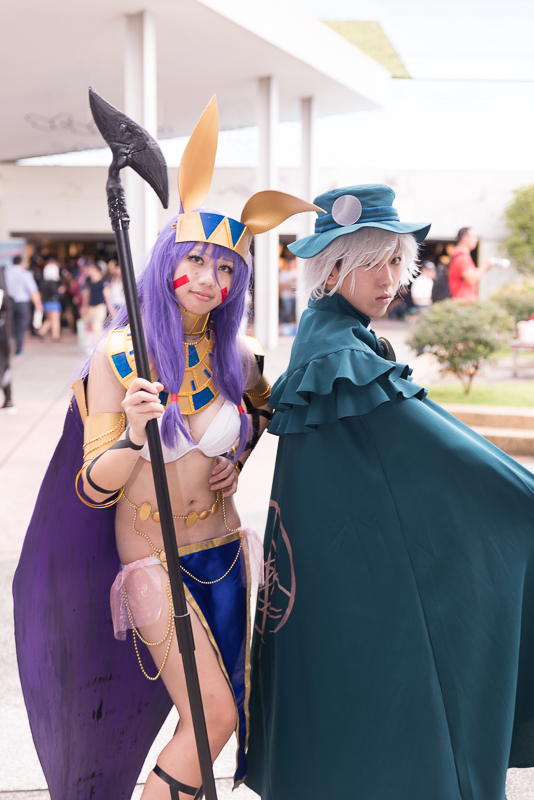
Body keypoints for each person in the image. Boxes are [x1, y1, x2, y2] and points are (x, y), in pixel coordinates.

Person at [13, 97, 319, 800]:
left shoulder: (237, 356)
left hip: (225, 551)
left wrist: (235, 458)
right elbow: (93, 485)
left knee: (217, 714)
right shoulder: (121, 356)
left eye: (227, 268)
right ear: (169, 260)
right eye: (198, 260)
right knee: (214, 715)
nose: (210, 279)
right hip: (153, 558)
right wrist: (131, 432)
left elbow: (261, 410)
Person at [246, 185, 534, 800]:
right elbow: (436, 446)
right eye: (371, 261)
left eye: (397, 261)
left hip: (335, 562)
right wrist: (520, 490)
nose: (389, 279)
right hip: (348, 569)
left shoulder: (328, 336)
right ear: (332, 268)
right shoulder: (338, 354)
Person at [4, 255, 43, 357]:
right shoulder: (25, 273)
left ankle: (7, 351)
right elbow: (33, 291)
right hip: (22, 303)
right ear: (21, 262)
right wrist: (38, 305)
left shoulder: (6, 273)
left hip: (8, 303)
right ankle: (18, 352)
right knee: (20, 328)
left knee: (8, 327)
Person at [448, 227, 491, 300]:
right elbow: (471, 278)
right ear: (464, 238)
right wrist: (484, 266)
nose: (475, 240)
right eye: (473, 237)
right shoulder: (462, 257)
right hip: (463, 301)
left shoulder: (458, 254)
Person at [82, 261, 115, 342]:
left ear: (96, 270)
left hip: (100, 307)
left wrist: (111, 310)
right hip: (91, 308)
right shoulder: (89, 282)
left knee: (97, 326)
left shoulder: (103, 282)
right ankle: (97, 343)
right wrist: (84, 307)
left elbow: (107, 297)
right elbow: (87, 296)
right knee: (93, 327)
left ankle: (97, 344)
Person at [0, 263, 14, 412]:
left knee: (3, 366)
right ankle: (8, 399)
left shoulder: (1, 294)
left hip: (2, 337)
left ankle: (8, 399)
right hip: (4, 336)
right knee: (4, 365)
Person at [38, 258, 63, 341]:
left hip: (46, 302)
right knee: (55, 319)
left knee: (50, 319)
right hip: (53, 302)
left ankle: (41, 332)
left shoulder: (43, 282)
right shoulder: (53, 282)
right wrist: (60, 290)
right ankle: (55, 336)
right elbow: (55, 292)